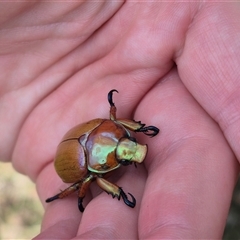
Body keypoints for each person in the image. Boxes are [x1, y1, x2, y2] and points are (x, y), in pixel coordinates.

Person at [0, 2, 239, 239]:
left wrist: (139, 128)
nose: (133, 147)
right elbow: (92, 171)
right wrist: (103, 193)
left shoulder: (111, 127)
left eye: (126, 145)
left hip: (89, 137)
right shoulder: (94, 164)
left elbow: (116, 121)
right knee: (83, 183)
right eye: (127, 154)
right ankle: (80, 195)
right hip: (75, 160)